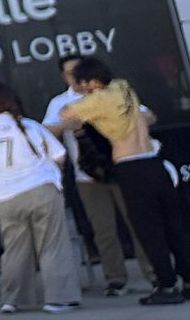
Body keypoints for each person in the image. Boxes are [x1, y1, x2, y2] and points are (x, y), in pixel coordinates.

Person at [54, 54, 190, 308]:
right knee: (173, 227)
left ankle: (166, 286)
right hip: (154, 161)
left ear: (88, 82)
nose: (77, 88)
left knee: (149, 230)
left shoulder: (97, 99)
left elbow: (65, 112)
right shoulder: (123, 87)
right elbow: (146, 114)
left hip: (131, 168)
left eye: (79, 83)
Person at [44, 60, 149, 296]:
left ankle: (153, 274)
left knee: (138, 222)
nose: (77, 78)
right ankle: (115, 279)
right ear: (64, 76)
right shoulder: (60, 102)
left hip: (122, 167)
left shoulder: (114, 93)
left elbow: (148, 115)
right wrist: (65, 125)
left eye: (81, 73)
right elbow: (45, 131)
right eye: (72, 74)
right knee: (103, 230)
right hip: (87, 174)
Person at [0, 81, 76, 314]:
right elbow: (59, 154)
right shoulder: (29, 126)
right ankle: (57, 298)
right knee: (52, 244)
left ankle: (13, 299)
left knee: (14, 249)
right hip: (40, 188)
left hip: (6, 196)